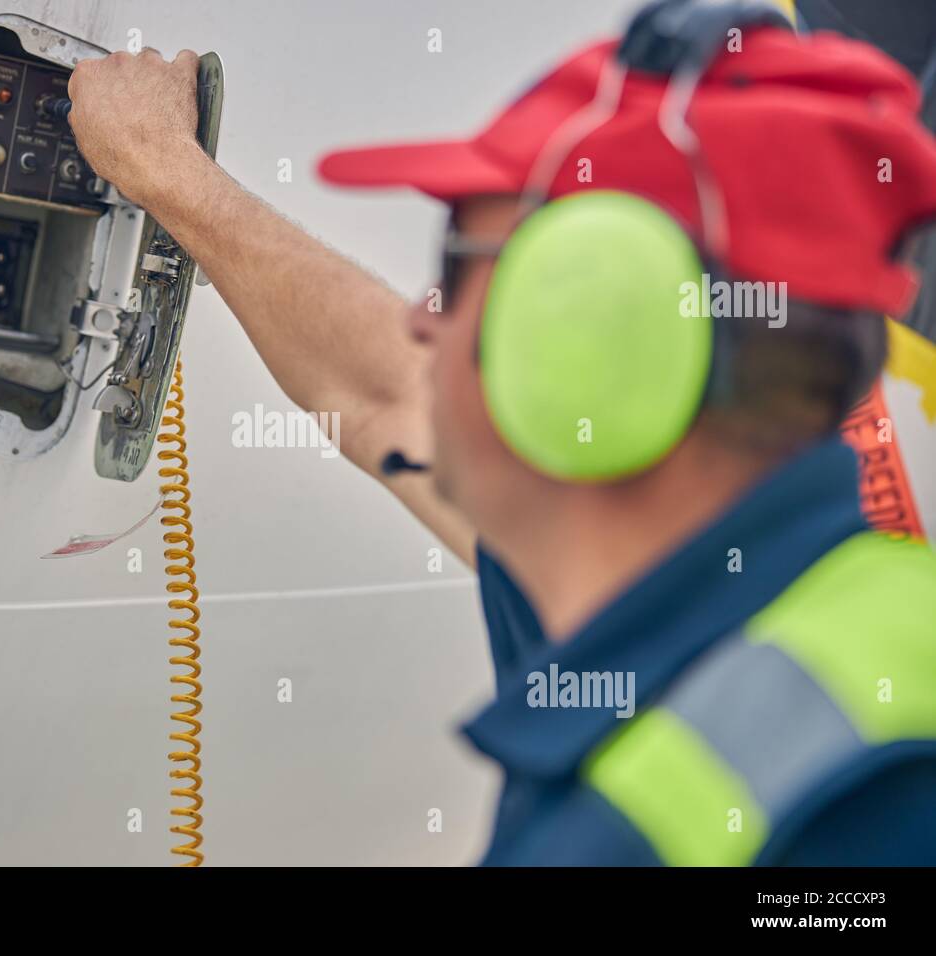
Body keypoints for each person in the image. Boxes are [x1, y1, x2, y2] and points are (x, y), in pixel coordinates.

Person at [66, 0, 936, 864]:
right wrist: (171, 175)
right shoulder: (827, 601)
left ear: (592, 348)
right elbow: (380, 394)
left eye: (458, 270)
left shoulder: (630, 841)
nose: (420, 324)